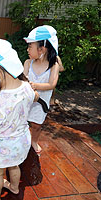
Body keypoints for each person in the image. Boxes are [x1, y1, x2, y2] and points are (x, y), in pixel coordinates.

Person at [0, 39, 38, 200]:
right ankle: (14, 187)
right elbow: (34, 97)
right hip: (22, 141)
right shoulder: (26, 87)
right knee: (14, 166)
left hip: (4, 146)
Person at [23, 25, 61, 153]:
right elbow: (23, 80)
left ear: (42, 49)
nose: (27, 49)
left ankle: (34, 141)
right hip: (27, 100)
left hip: (41, 103)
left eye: (30, 46)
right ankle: (23, 139)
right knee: (22, 120)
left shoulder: (53, 66)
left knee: (37, 124)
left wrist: (35, 85)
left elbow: (51, 84)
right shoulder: (28, 63)